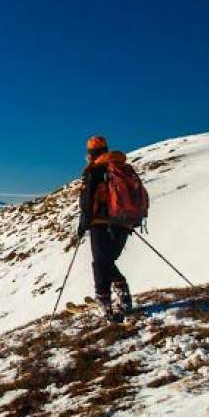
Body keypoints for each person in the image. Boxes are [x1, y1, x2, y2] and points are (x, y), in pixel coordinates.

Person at [76, 135, 134, 321]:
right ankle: (122, 292)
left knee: (100, 263)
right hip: (124, 221)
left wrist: (83, 224)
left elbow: (87, 201)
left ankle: (103, 299)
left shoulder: (94, 170)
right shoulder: (121, 167)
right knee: (107, 261)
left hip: (100, 222)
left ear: (90, 153)